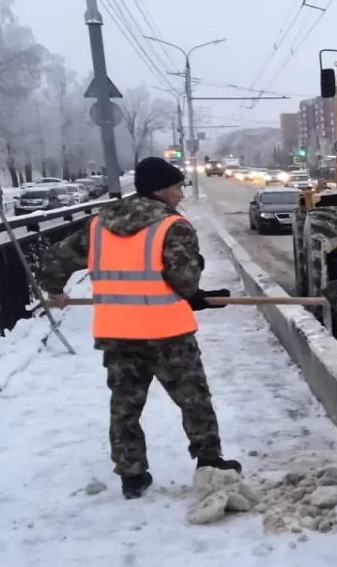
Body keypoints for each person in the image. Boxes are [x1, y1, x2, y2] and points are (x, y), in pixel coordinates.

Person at [40, 156, 241, 500]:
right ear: (160, 190)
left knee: (125, 406)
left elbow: (55, 258)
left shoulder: (99, 224)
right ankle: (208, 461)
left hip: (117, 334)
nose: (180, 194)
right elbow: (184, 280)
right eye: (177, 187)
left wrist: (55, 291)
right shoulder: (172, 226)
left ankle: (132, 476)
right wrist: (195, 293)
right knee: (193, 400)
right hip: (168, 334)